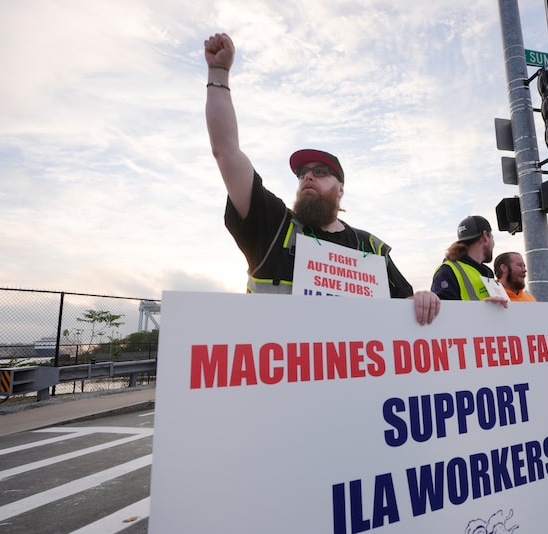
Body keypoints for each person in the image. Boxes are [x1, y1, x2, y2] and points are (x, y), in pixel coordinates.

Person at [203, 32, 440, 325]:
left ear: (340, 188)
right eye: (302, 173)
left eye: (320, 172)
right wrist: (219, 73)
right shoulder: (275, 227)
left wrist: (423, 299)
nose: (308, 178)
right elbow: (226, 152)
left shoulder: (371, 247)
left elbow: (406, 306)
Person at [430, 216, 507, 306]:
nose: (493, 243)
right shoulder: (448, 270)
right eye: (492, 238)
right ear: (485, 236)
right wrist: (481, 309)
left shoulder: (487, 272)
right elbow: (443, 314)